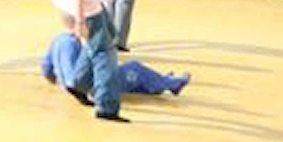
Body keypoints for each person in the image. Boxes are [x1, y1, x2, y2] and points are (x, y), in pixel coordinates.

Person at [40, 31, 188, 99]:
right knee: (135, 68)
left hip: (78, 85)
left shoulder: (59, 39)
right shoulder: (76, 44)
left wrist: (59, 83)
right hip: (96, 86)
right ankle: (171, 84)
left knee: (131, 77)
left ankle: (161, 82)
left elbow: (46, 69)